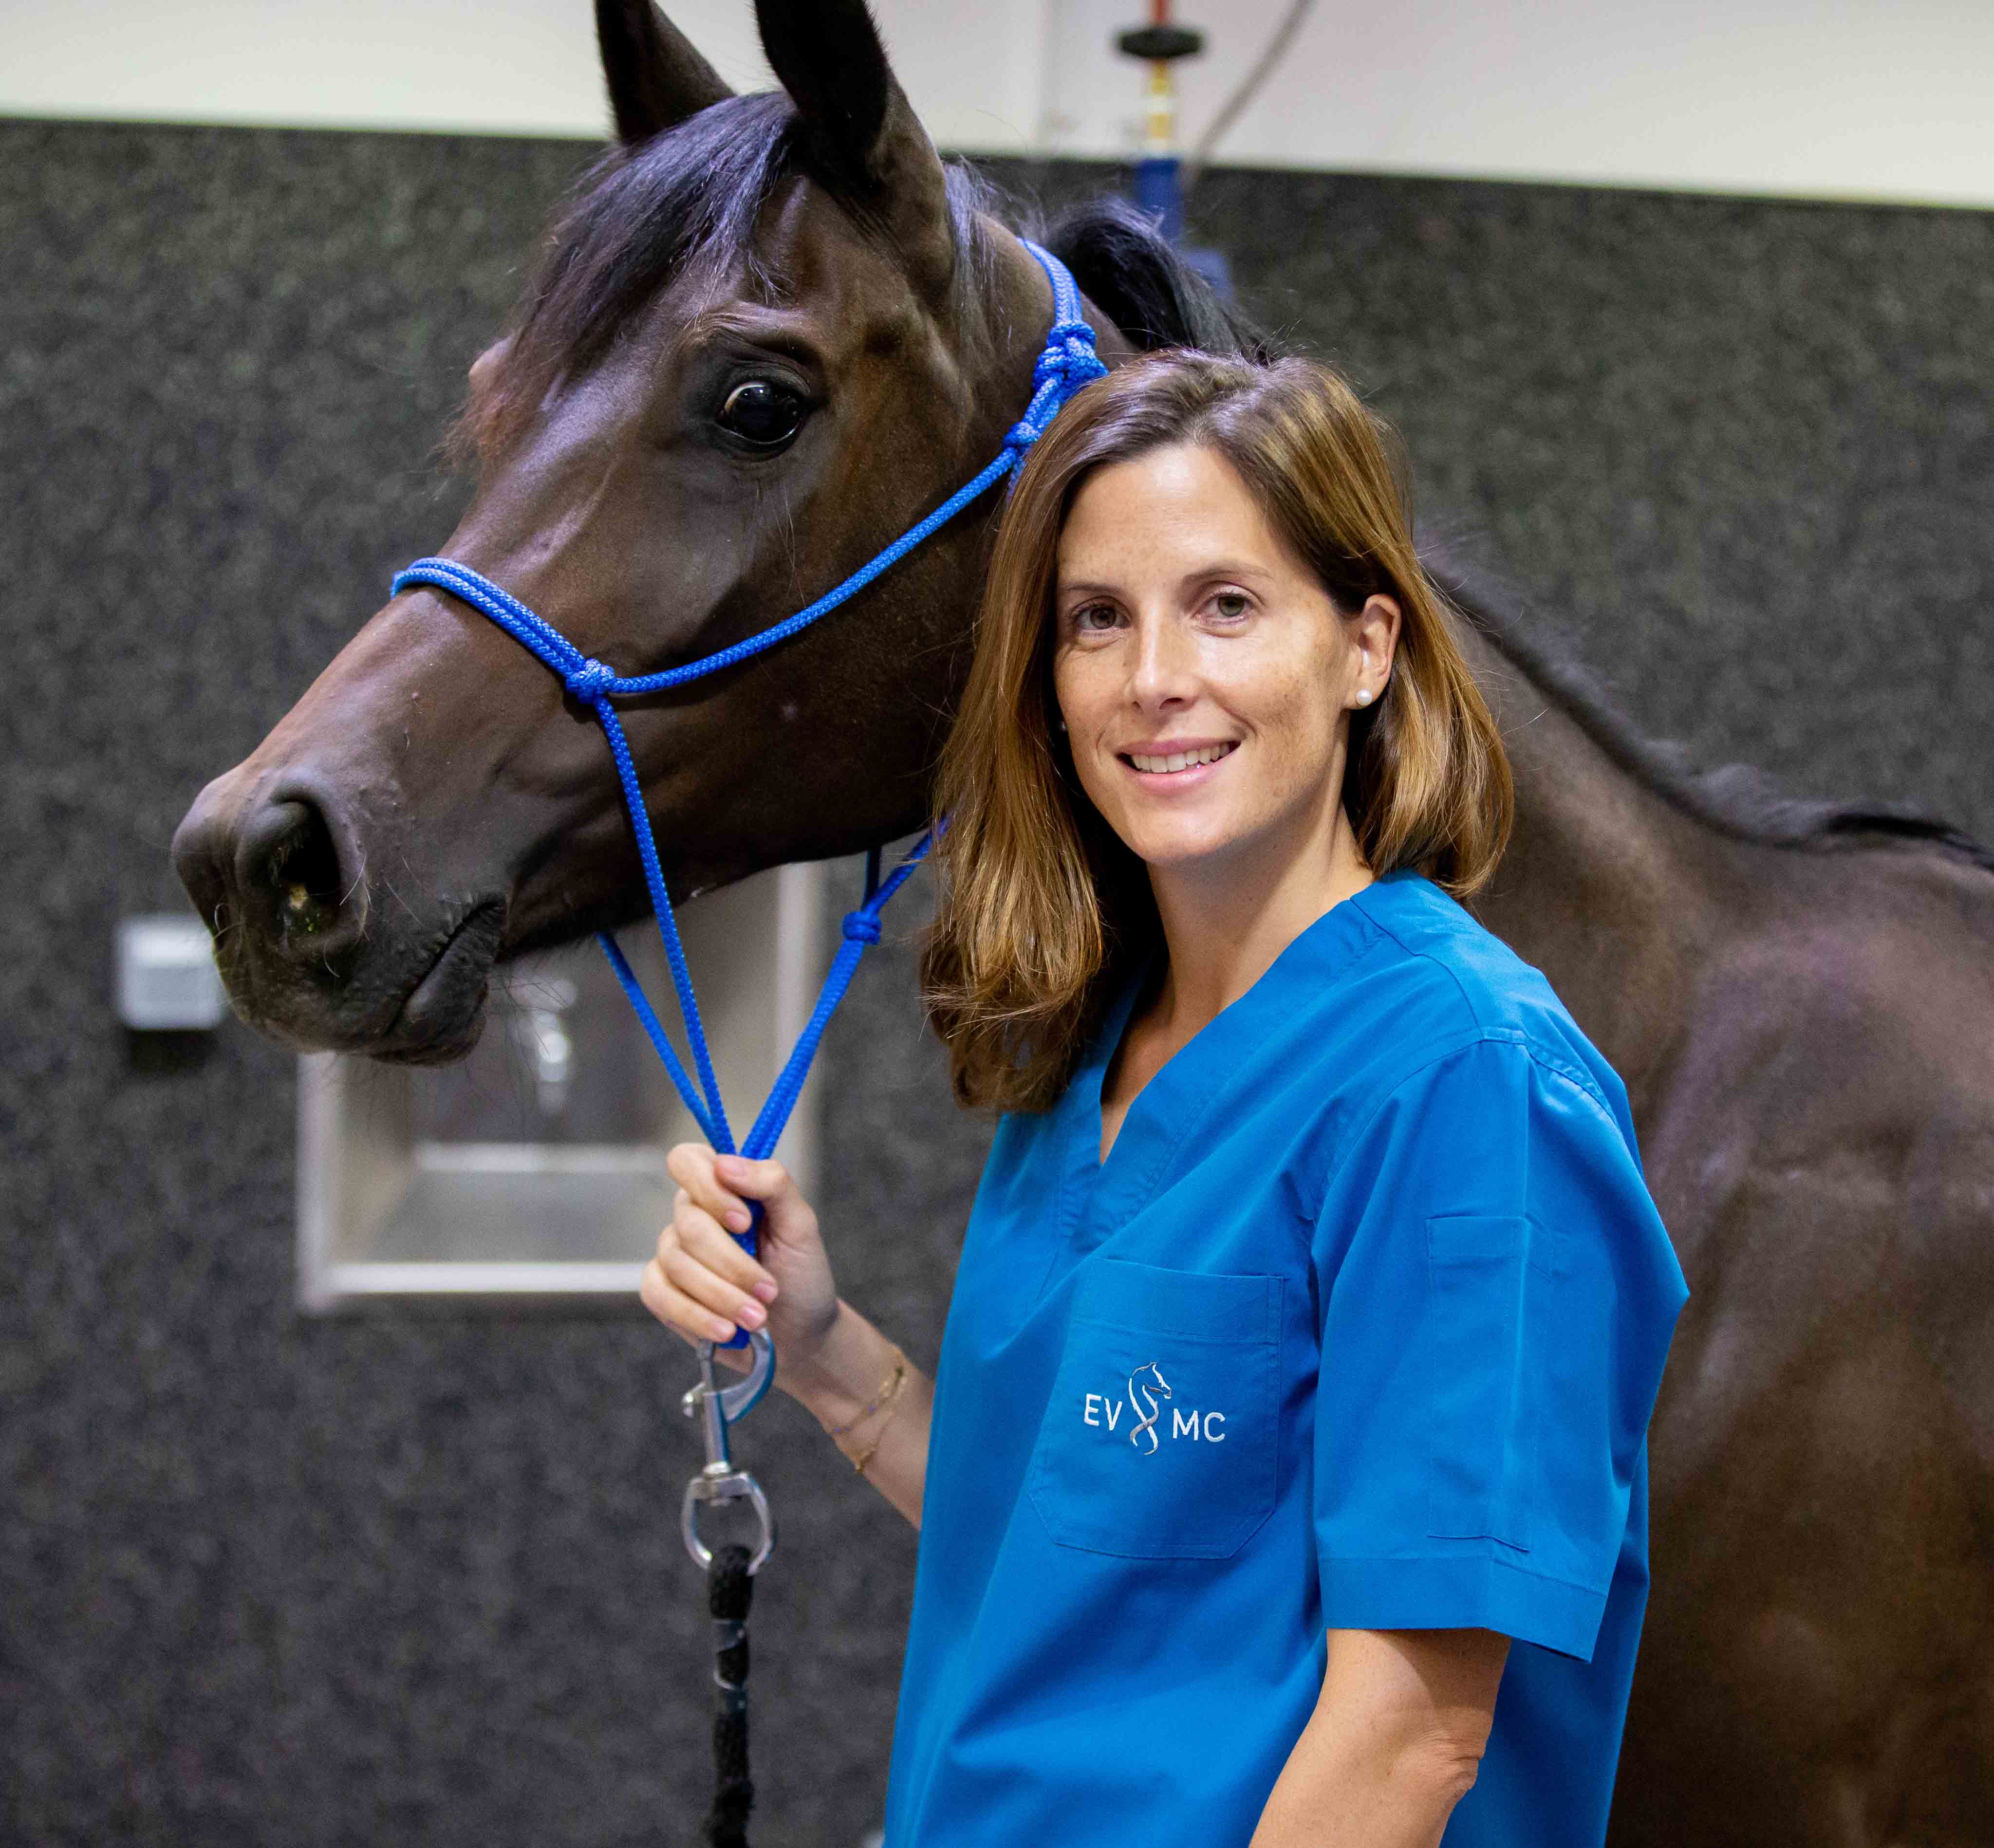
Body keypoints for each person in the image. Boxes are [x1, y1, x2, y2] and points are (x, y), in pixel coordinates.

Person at [640, 350, 1688, 1848]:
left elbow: (1411, 1734)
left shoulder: (1466, 1081)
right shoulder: (1090, 1047)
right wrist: (824, 1355)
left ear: (1365, 647)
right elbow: (1083, 1536)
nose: (1151, 678)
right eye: (1095, 619)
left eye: (1225, 604)